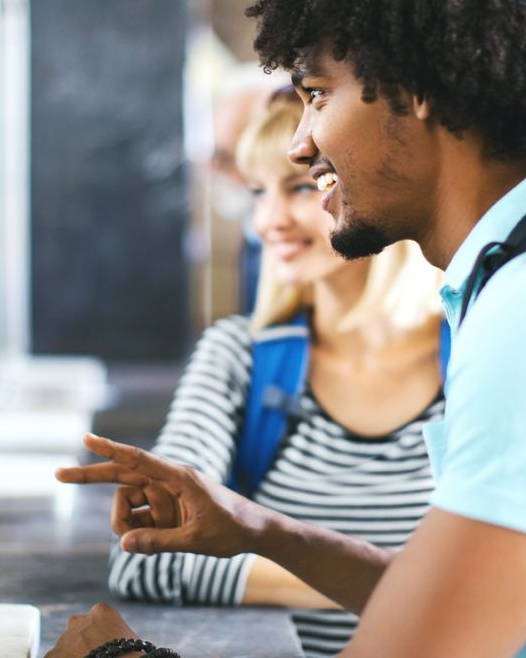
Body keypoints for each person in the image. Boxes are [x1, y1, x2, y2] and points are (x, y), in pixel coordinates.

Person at [50, 0, 526, 656]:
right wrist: (258, 530)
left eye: (317, 95)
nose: (301, 144)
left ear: (413, 86)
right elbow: (469, 604)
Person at [106, 93, 446, 658]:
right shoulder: (238, 356)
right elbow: (145, 554)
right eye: (257, 193)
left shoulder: (478, 355)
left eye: (298, 186)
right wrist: (393, 588)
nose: (268, 221)